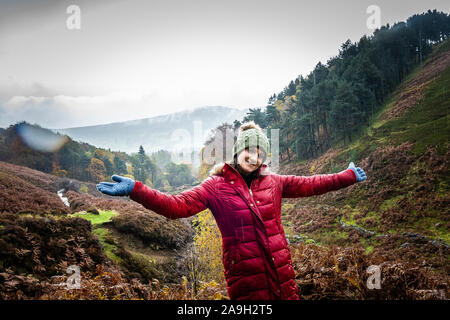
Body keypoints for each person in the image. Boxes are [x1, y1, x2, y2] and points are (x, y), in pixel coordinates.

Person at [97, 121, 367, 300]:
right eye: (249, 150)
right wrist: (136, 190)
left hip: (285, 285)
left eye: (261, 152)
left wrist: (348, 176)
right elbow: (175, 206)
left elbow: (313, 184)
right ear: (238, 151)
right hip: (248, 289)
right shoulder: (215, 186)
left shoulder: (274, 183)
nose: (255, 157)